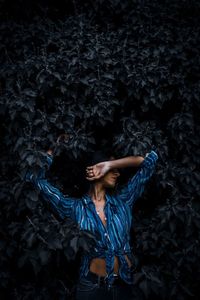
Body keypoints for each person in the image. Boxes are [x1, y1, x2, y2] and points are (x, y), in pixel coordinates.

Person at [24, 134, 159, 300]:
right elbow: (34, 178)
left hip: (124, 286)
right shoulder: (74, 208)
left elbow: (150, 161)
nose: (117, 173)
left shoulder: (124, 200)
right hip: (92, 288)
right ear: (94, 170)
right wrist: (54, 148)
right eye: (112, 170)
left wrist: (110, 164)